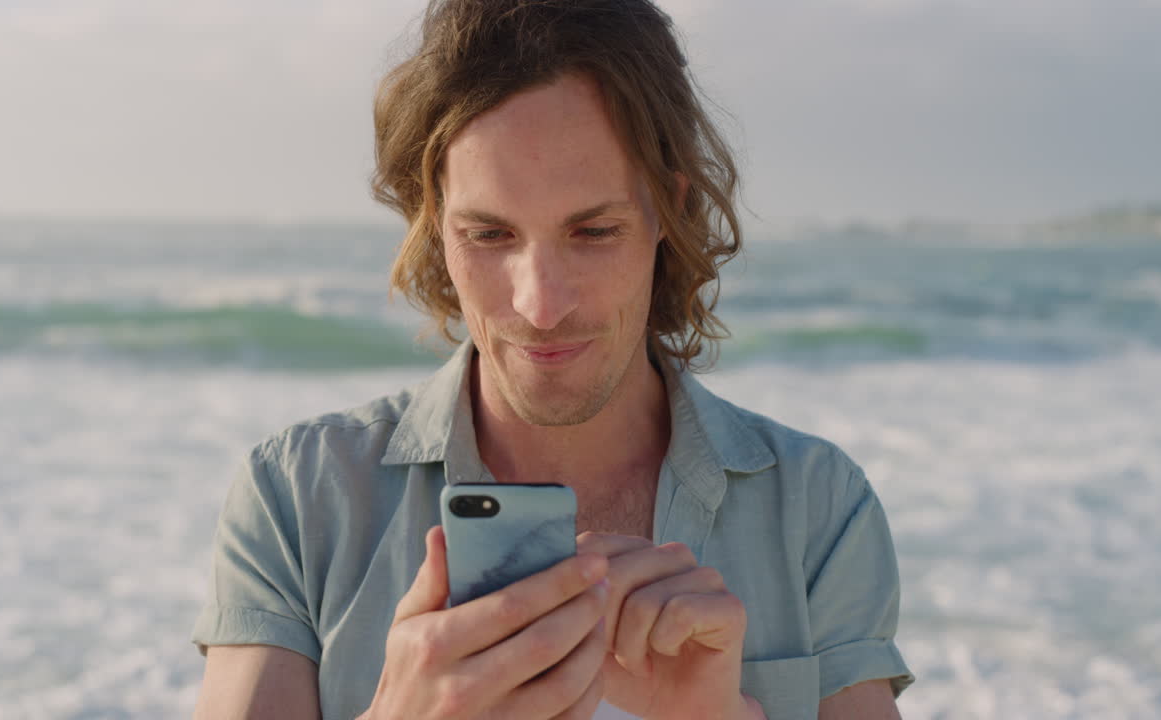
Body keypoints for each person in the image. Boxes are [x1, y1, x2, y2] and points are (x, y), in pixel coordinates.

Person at [190, 0, 915, 718]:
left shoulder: (818, 510)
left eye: (593, 231)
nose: (540, 306)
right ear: (433, 223)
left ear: (667, 209)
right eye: (489, 236)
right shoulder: (298, 502)